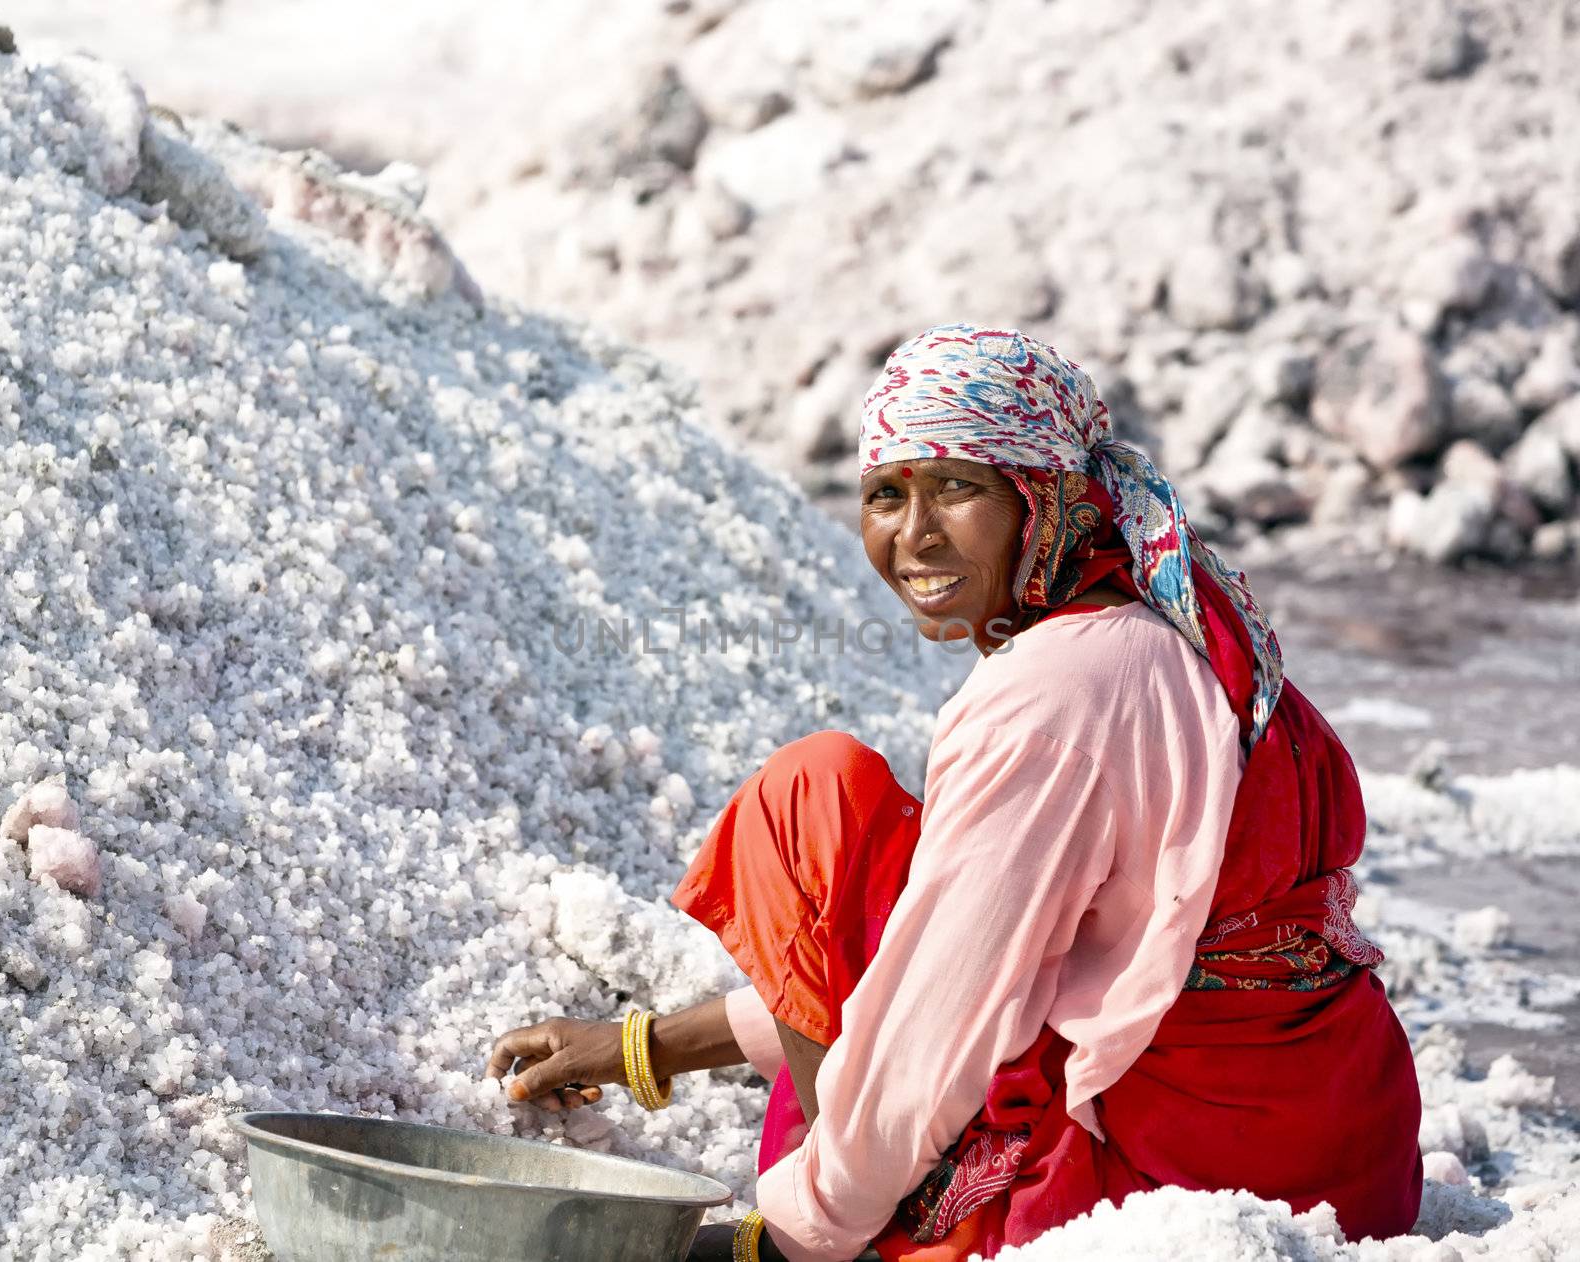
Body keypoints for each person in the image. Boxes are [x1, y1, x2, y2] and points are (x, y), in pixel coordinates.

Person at [486, 324, 1423, 1262]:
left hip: (1187, 1176)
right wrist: (645, 1048)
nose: (914, 534)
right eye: (885, 496)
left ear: (1044, 500)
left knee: (810, 799)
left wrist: (790, 1238)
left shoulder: (1055, 692)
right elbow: (920, 949)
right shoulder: (1170, 624)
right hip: (1343, 1155)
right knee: (862, 834)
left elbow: (939, 1015)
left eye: (959, 488)